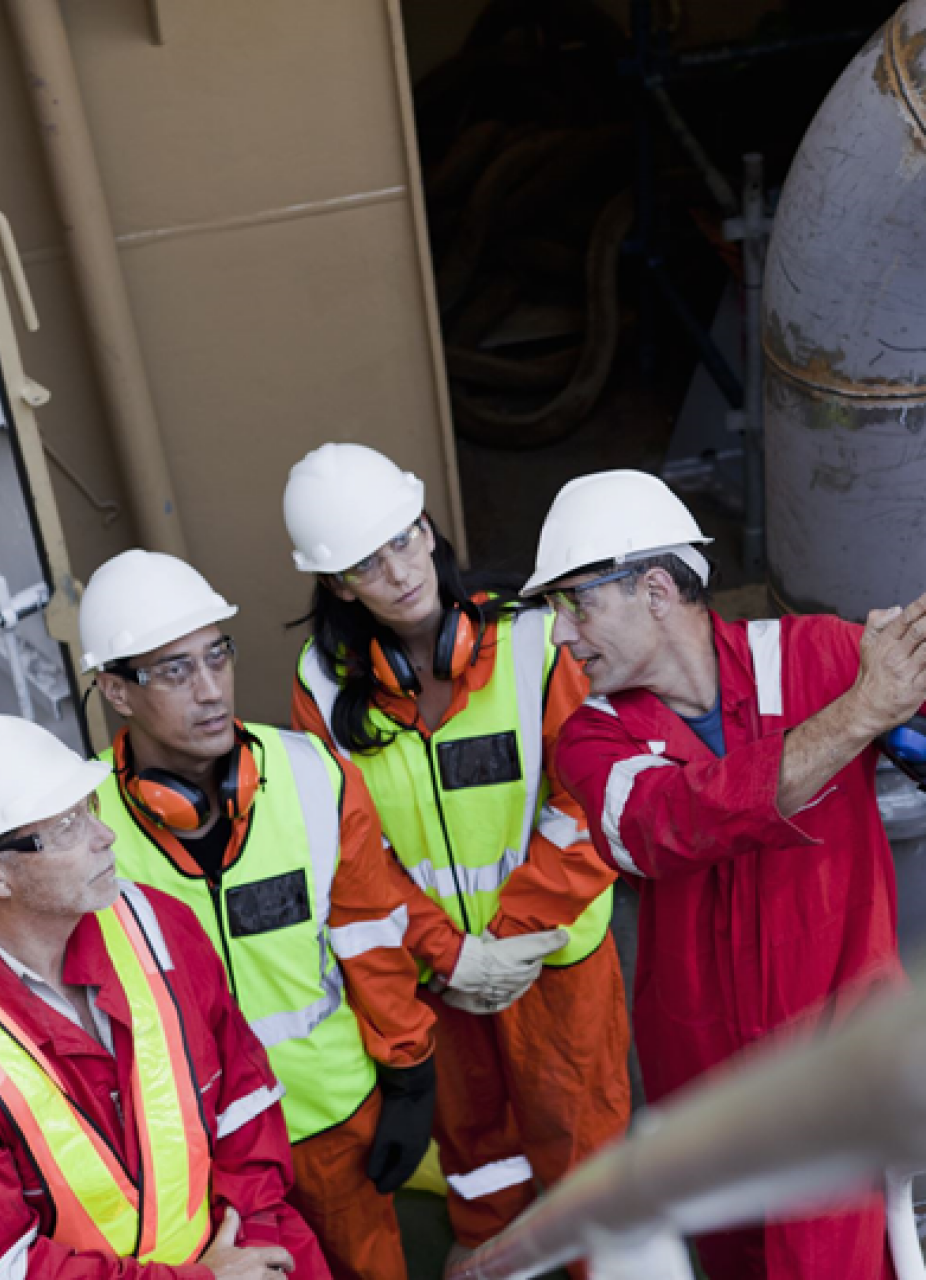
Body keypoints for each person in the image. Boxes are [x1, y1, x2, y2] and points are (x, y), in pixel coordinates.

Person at [527, 471, 926, 1280]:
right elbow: (663, 826)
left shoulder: (820, 656)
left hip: (841, 1059)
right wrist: (861, 713)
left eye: (575, 605)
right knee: (733, 1262)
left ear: (656, 588)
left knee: (827, 1265)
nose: (562, 636)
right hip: (701, 1075)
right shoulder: (591, 740)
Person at [282, 444, 632, 1272]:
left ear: (429, 528)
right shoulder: (322, 690)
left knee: (582, 1127)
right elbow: (351, 852)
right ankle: (493, 1247)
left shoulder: (538, 643)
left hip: (551, 962)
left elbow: (589, 804)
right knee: (473, 1137)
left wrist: (507, 938)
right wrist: (455, 956)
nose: (400, 572)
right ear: (337, 587)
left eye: (406, 540)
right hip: (439, 973)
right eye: (367, 564)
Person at [0, 712, 328, 1279]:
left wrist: (254, 1244)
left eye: (89, 808)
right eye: (69, 825)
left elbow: (243, 1098)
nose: (106, 835)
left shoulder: (153, 922)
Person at [79, 551, 435, 1280]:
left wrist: (409, 1073)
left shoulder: (311, 773)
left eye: (218, 656)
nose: (211, 691)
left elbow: (369, 936)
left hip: (333, 1116)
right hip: (194, 1149)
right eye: (174, 671)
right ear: (116, 690)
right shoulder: (84, 824)